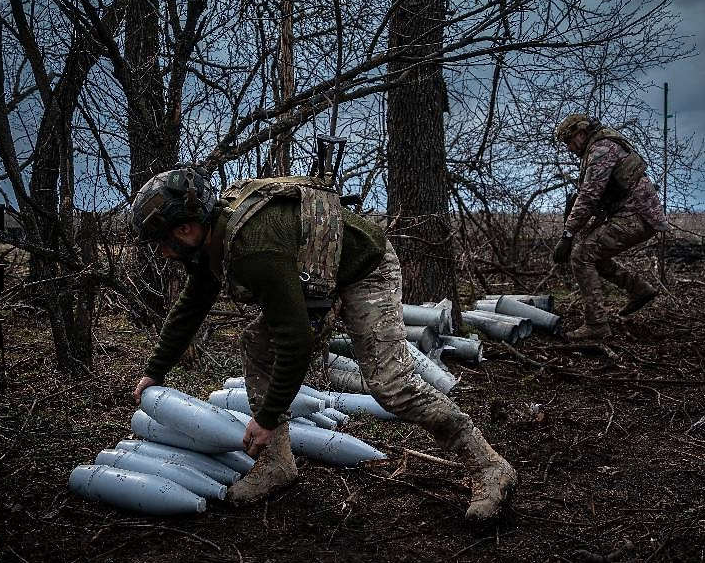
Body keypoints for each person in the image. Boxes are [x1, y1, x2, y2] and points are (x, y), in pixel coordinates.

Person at [130, 166, 516, 520]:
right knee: (257, 344)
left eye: (162, 242)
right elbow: (192, 304)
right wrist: (155, 370)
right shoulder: (215, 238)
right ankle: (277, 463)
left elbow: (295, 341)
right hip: (318, 278)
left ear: (185, 229)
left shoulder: (253, 250)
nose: (163, 252)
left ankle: (488, 466)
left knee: (390, 384)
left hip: (365, 269)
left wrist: (266, 419)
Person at [551, 114, 666, 342]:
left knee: (581, 255)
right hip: (636, 214)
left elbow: (589, 196)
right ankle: (639, 289)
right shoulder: (599, 146)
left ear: (581, 133)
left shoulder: (601, 150)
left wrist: (568, 235)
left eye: (570, 141)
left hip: (637, 215)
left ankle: (596, 324)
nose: (569, 148)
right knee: (592, 253)